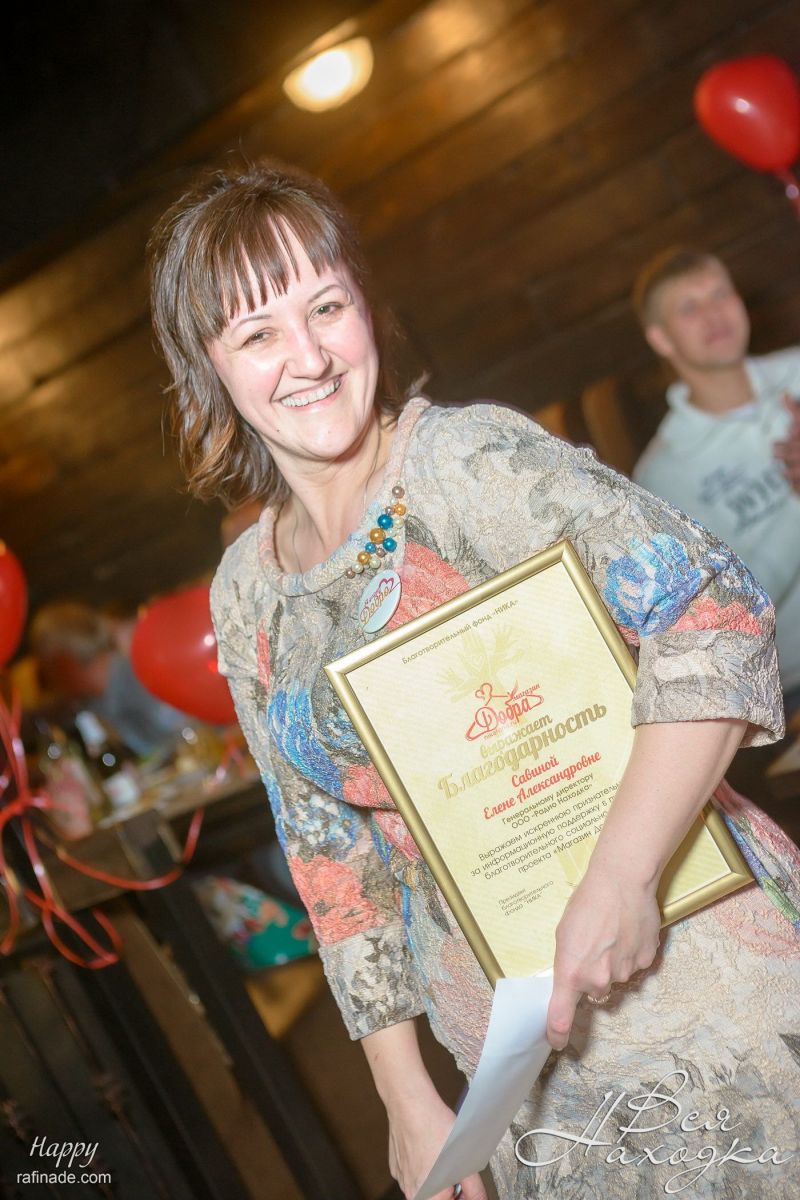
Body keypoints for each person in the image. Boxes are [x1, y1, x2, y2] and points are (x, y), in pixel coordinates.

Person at [148, 161, 800, 1200]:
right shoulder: (246, 593)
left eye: (327, 307)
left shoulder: (466, 462)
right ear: (208, 366)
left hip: (690, 967)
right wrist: (406, 1099)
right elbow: (329, 859)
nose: (308, 357)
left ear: (367, 309)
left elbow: (711, 611)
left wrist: (623, 876)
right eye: (259, 333)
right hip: (516, 1067)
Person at [632, 247, 800, 712]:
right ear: (661, 339)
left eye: (721, 294)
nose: (714, 314)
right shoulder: (662, 474)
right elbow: (731, 610)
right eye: (689, 307)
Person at [29, 601, 186, 757]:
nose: (51, 681)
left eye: (48, 667)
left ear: (65, 662)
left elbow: (185, 734)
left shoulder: (136, 675)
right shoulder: (89, 702)